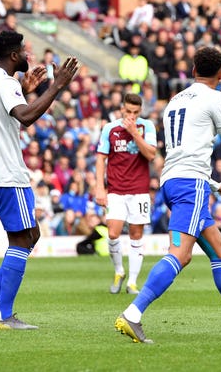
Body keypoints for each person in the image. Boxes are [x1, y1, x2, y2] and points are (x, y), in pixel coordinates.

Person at [114, 46, 221, 344]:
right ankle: (133, 314)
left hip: (175, 181)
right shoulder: (215, 98)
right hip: (191, 185)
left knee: (219, 250)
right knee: (181, 254)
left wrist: (214, 185)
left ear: (192, 71)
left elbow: (182, 152)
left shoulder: (174, 101)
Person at [0, 31, 79, 330]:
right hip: (7, 173)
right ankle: (4, 316)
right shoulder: (5, 84)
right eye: (23, 51)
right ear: (14, 56)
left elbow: (1, 115)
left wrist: (25, 90)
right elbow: (25, 117)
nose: (28, 56)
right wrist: (57, 85)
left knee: (31, 236)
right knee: (21, 240)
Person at [95, 93, 157, 295]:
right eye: (128, 111)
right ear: (122, 108)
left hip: (139, 190)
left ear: (140, 111)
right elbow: (100, 159)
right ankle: (119, 271)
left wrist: (135, 133)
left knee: (136, 235)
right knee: (113, 233)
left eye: (136, 112)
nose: (131, 116)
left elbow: (150, 154)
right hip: (115, 189)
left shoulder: (146, 127)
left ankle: (132, 281)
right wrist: (99, 187)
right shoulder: (109, 128)